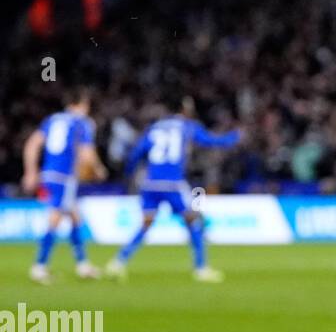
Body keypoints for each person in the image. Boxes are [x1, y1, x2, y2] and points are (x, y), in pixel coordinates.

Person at [105, 98, 241, 282]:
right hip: (173, 184)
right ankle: (201, 268)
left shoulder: (155, 128)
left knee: (146, 223)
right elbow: (209, 141)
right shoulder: (187, 126)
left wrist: (128, 175)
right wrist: (232, 137)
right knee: (194, 219)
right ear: (185, 109)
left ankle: (118, 262)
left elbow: (137, 153)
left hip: (150, 183)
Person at [21, 87, 107, 283]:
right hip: (64, 176)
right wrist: (99, 169)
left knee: (75, 216)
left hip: (49, 173)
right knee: (56, 217)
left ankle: (83, 265)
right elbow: (86, 154)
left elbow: (32, 144)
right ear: (83, 104)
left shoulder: (52, 120)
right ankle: (39, 266)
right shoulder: (82, 123)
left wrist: (31, 172)